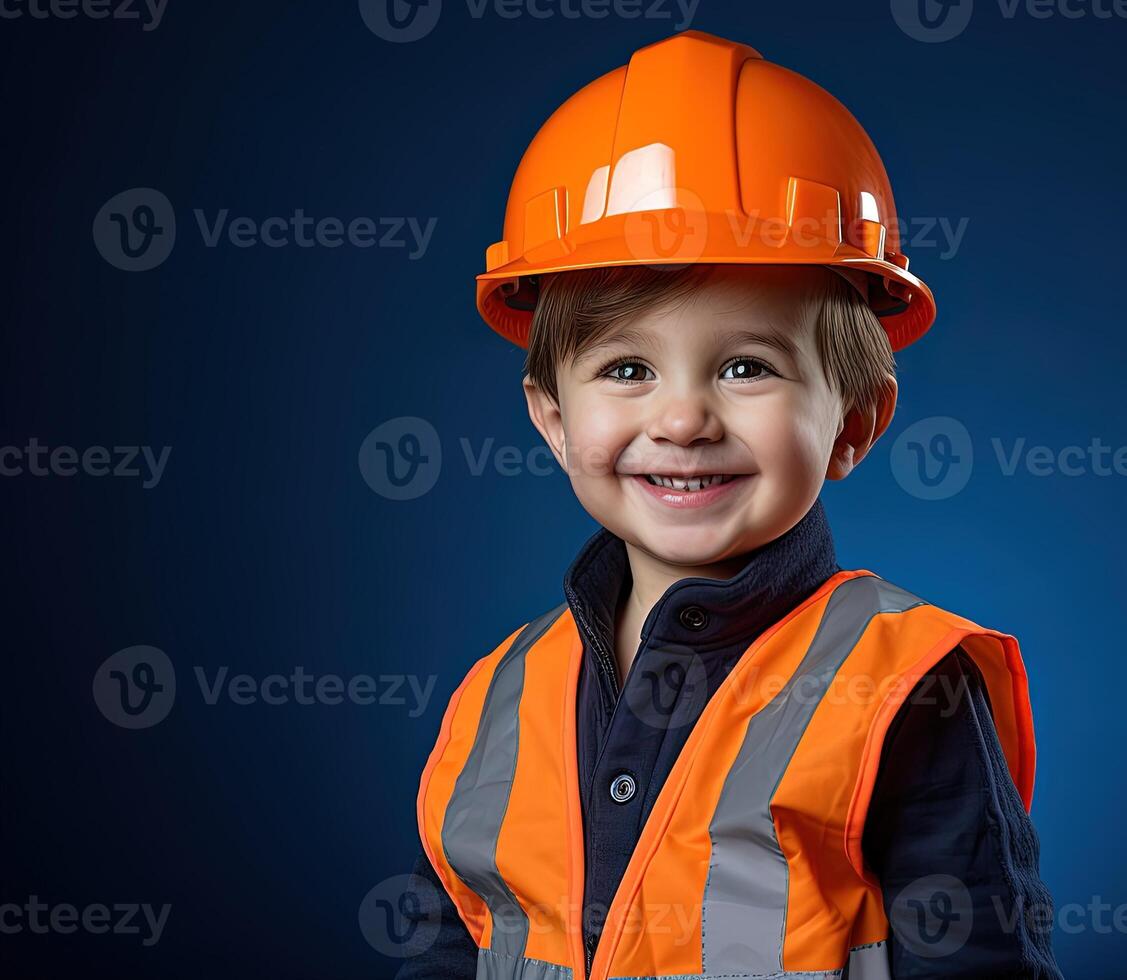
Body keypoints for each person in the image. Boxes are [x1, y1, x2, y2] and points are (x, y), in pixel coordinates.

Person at [396, 30, 1062, 980]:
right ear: (552, 418)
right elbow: (445, 948)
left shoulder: (910, 685)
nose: (682, 416)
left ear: (855, 420)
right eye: (626, 368)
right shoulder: (496, 698)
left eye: (747, 366)